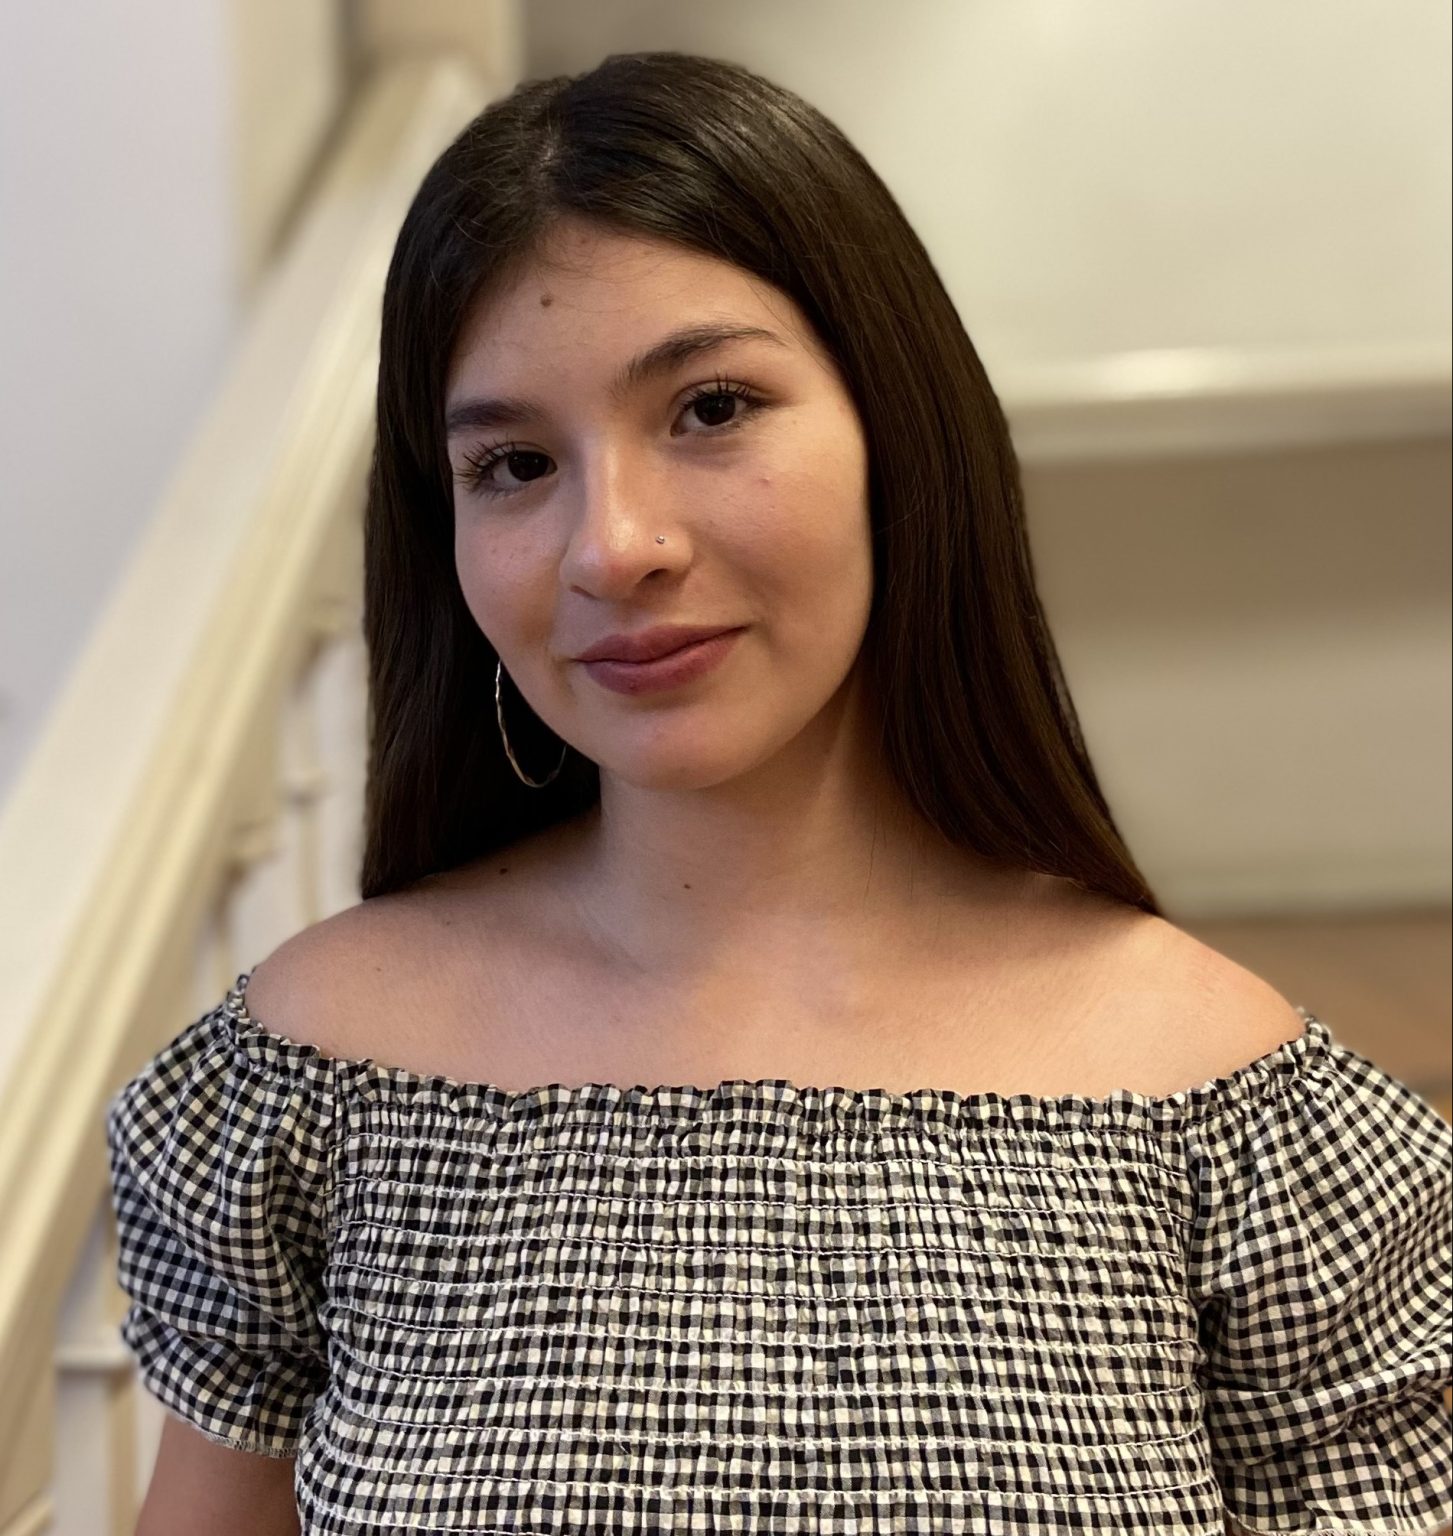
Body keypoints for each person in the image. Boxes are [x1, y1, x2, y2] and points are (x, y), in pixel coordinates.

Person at [106, 51, 1451, 1536]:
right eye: (514, 463)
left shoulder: (1235, 1116)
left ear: (897, 432)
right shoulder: (303, 1082)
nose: (612, 546)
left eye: (712, 406)